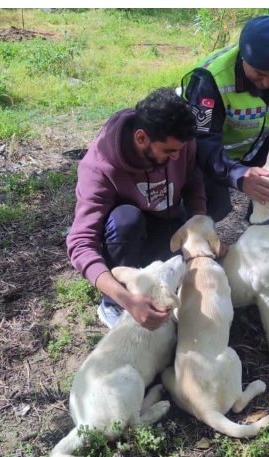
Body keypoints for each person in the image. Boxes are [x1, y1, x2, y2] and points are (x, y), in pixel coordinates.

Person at [66, 87, 207, 330]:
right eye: (169, 151)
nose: (176, 157)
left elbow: (194, 181)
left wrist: (201, 224)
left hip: (167, 222)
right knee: (125, 220)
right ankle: (112, 303)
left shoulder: (179, 142)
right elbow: (80, 243)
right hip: (128, 236)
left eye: (180, 150)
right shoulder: (99, 167)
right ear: (141, 138)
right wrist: (126, 299)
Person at [180, 15, 269, 222]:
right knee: (215, 207)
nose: (268, 83)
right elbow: (202, 140)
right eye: (259, 74)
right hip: (212, 153)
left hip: (256, 142)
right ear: (243, 57)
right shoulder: (211, 79)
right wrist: (239, 176)